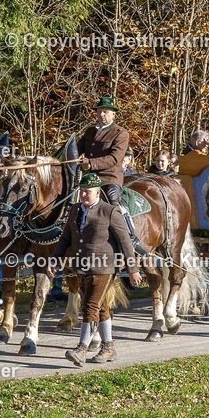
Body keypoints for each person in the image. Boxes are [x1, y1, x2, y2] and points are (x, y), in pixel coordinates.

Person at [50, 173, 142, 366]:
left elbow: (125, 241)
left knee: (89, 306)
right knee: (100, 307)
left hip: (104, 267)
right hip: (81, 267)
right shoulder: (75, 210)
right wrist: (56, 260)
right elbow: (66, 238)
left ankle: (82, 349)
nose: (84, 195)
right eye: (82, 191)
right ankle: (108, 348)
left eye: (88, 192)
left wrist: (133, 269)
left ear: (98, 192)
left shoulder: (109, 211)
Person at [78, 95, 144, 251]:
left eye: (106, 112)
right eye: (100, 111)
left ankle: (129, 236)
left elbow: (114, 158)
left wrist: (91, 163)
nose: (102, 115)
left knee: (113, 201)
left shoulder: (120, 133)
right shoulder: (89, 132)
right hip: (87, 178)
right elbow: (77, 150)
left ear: (113, 114)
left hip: (109, 178)